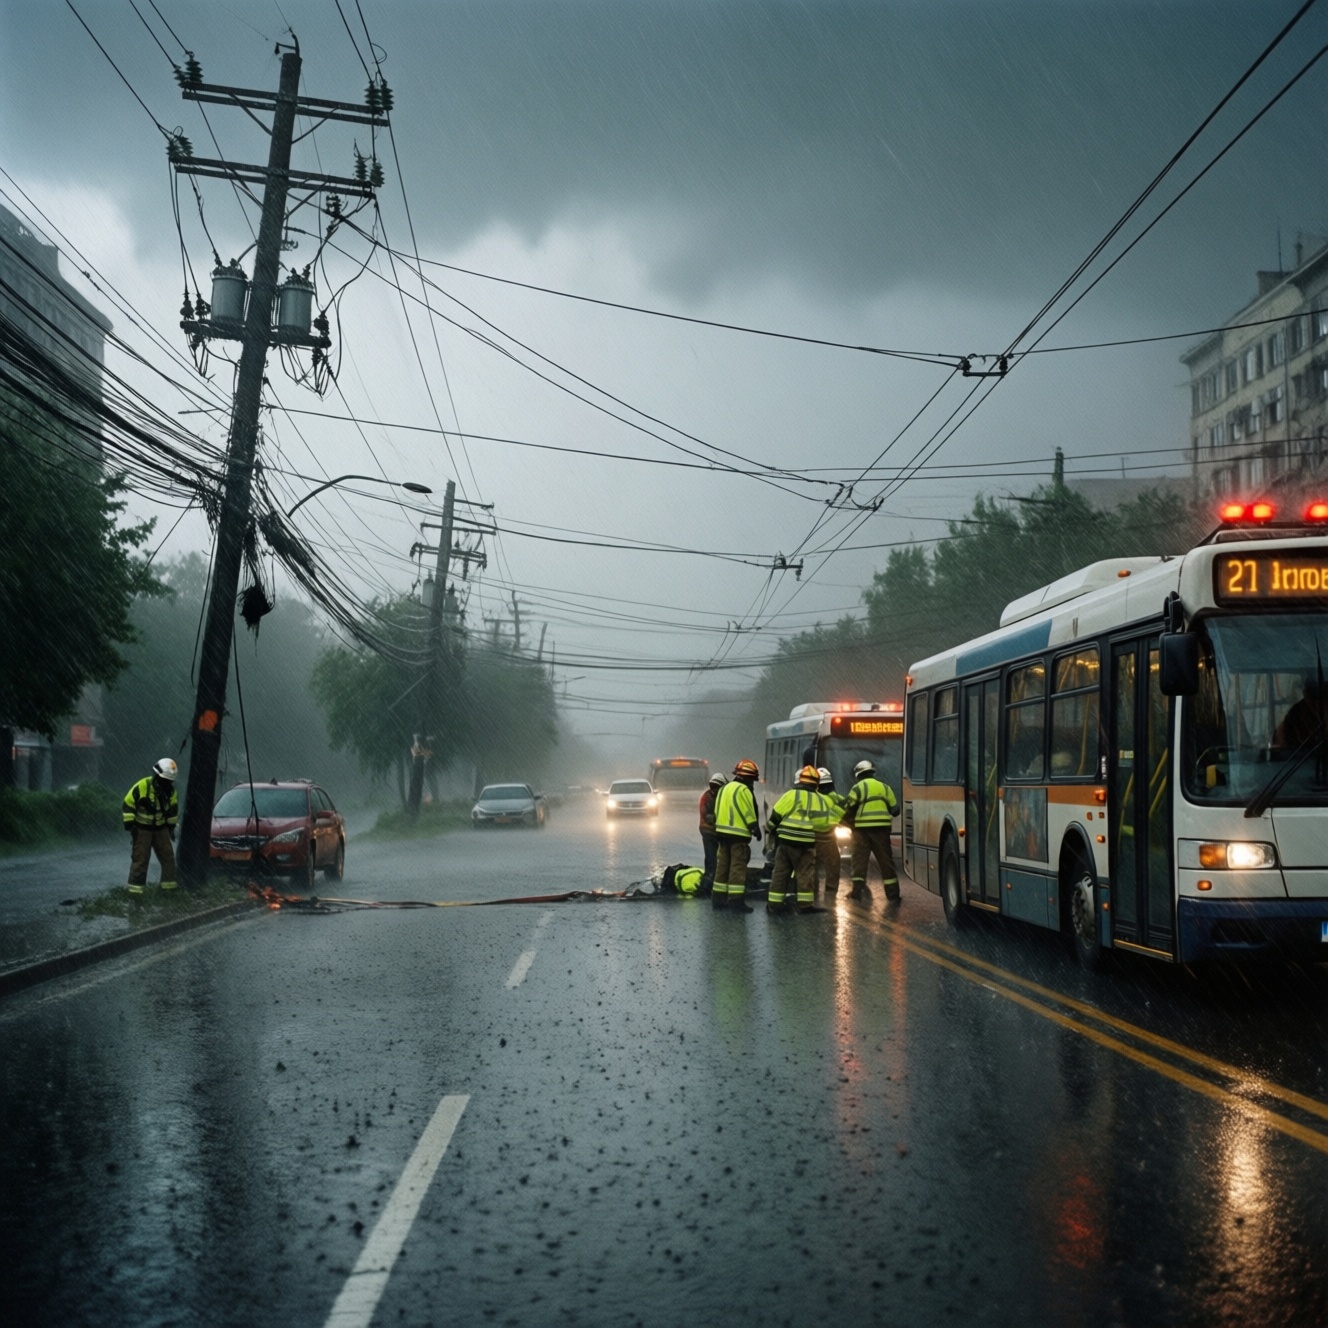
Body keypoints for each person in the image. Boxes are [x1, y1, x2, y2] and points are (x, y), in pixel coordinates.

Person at [766, 765, 834, 914]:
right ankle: (804, 906)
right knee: (805, 874)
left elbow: (776, 815)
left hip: (785, 842)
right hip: (805, 844)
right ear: (816, 782)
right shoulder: (820, 800)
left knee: (780, 873)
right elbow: (823, 825)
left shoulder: (791, 795)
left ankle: (774, 905)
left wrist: (770, 829)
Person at [843, 758, 900, 904]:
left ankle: (857, 893)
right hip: (881, 832)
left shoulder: (858, 788)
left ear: (858, 775)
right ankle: (893, 894)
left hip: (861, 831)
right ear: (871, 772)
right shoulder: (885, 788)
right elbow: (895, 810)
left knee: (859, 861)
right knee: (886, 862)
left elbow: (848, 809)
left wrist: (848, 822)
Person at [122, 758, 180, 897]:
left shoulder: (171, 793)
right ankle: (135, 894)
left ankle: (168, 891)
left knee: (168, 859)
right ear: (157, 776)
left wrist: (170, 828)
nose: (167, 783)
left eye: (169, 781)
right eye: (165, 780)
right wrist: (130, 826)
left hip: (161, 829)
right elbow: (128, 804)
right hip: (142, 830)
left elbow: (173, 811)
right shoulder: (143, 786)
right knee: (140, 861)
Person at [712, 759, 760, 913]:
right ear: (748, 777)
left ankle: (718, 899)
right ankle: (736, 901)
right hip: (738, 835)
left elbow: (716, 810)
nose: (753, 783)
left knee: (723, 866)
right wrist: (755, 828)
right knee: (737, 868)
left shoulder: (725, 788)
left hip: (722, 834)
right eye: (752, 779)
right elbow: (747, 811)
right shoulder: (744, 790)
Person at [814, 767, 845, 898]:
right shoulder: (838, 799)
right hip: (829, 838)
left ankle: (811, 892)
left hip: (812, 838)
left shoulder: (811, 798)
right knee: (833, 866)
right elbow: (847, 816)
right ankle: (830, 895)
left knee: (810, 867)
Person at [697, 772, 727, 895]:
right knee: (712, 858)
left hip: (715, 831)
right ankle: (710, 879)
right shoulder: (708, 797)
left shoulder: (710, 796)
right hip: (709, 832)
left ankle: (713, 878)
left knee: (714, 858)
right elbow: (706, 814)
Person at [1274, 679, 1325, 750]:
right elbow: (1281, 748)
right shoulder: (1296, 713)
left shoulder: (1323, 710)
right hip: (1300, 757)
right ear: (1305, 693)